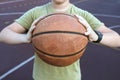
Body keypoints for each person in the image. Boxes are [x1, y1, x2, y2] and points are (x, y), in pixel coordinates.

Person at [0, 0, 120, 80]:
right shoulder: (36, 12)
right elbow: (4, 34)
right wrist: (25, 38)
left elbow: (117, 39)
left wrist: (96, 36)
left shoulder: (81, 15)